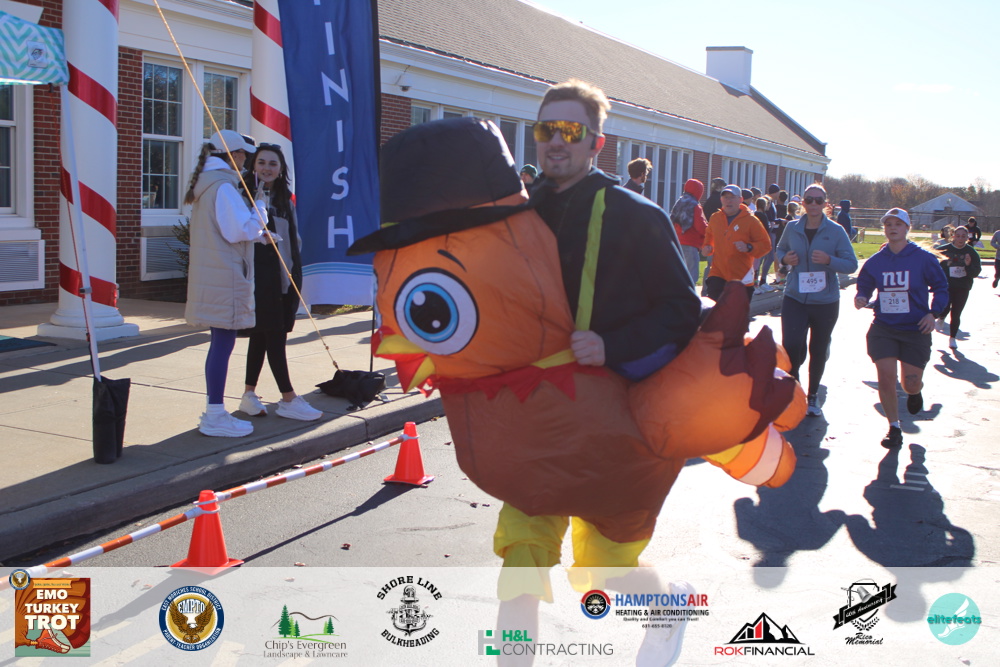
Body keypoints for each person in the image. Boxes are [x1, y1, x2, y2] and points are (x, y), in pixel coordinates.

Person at [517, 78, 701, 665]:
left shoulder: (635, 215)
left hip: (610, 417)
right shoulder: (517, 215)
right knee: (520, 560)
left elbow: (682, 311)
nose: (556, 141)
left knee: (602, 567)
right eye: (546, 129)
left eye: (570, 130)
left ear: (597, 142)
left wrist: (610, 345)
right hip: (534, 415)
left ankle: (666, 606)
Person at [184, 130, 277, 437]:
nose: (247, 162)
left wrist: (258, 233)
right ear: (234, 155)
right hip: (225, 275)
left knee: (220, 343)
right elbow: (238, 230)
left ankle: (215, 412)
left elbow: (227, 229)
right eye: (245, 157)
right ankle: (214, 415)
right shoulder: (222, 186)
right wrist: (260, 207)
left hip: (216, 272)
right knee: (223, 343)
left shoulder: (211, 183)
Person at [238, 143, 323, 421]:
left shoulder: (286, 199)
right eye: (261, 162)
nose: (267, 168)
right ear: (253, 166)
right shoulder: (244, 196)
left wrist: (294, 271)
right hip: (258, 277)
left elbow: (293, 240)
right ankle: (288, 398)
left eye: (273, 163)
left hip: (284, 277)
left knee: (262, 336)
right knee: (274, 335)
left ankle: (249, 394)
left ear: (281, 169)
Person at [854, 207, 949, 449]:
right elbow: (864, 283)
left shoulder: (923, 259)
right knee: (886, 378)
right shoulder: (876, 261)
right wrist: (862, 296)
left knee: (910, 383)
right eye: (888, 224)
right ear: (884, 229)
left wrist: (933, 313)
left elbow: (941, 288)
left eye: (898, 224)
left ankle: (915, 392)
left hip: (915, 329)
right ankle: (894, 428)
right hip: (884, 327)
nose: (893, 228)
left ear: (907, 228)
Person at [775, 183, 858, 416]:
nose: (813, 204)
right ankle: (795, 393)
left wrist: (829, 260)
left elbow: (851, 264)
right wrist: (785, 260)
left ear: (825, 204)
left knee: (818, 349)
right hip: (795, 297)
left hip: (825, 301)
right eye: (809, 200)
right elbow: (780, 250)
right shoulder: (792, 227)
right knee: (791, 346)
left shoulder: (836, 231)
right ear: (802, 203)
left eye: (818, 200)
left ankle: (812, 397)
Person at [702, 184, 771, 303]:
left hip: (741, 277)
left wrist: (749, 247)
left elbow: (766, 245)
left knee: (736, 314)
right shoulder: (715, 218)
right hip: (717, 274)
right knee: (715, 312)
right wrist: (707, 247)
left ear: (740, 199)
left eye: (732, 197)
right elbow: (708, 237)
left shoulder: (751, 220)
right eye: (725, 197)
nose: (728, 201)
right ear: (721, 199)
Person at [937, 225, 981, 350]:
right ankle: (941, 317)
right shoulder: (944, 249)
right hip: (946, 285)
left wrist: (968, 265)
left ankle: (952, 338)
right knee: (945, 306)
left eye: (963, 236)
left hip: (963, 286)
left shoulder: (972, 253)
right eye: (958, 236)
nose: (960, 239)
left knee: (956, 313)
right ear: (953, 236)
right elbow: (931, 263)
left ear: (967, 237)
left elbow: (976, 272)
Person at [670, 178, 708, 285]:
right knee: (691, 276)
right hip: (690, 244)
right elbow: (701, 226)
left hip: (677, 242)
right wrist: (710, 232)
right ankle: (688, 295)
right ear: (698, 192)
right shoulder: (695, 206)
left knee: (679, 274)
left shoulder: (679, 202)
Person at [701, 178, 726, 293]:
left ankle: (705, 289)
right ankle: (712, 289)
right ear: (719, 187)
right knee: (716, 265)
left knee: (710, 264)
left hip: (710, 236)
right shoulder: (720, 201)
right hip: (719, 237)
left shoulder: (708, 201)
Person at [753, 197, 778, 292]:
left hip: (756, 241)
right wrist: (772, 227)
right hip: (761, 242)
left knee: (756, 264)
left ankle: (756, 284)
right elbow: (765, 229)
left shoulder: (755, 214)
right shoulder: (762, 215)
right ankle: (756, 285)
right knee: (757, 264)